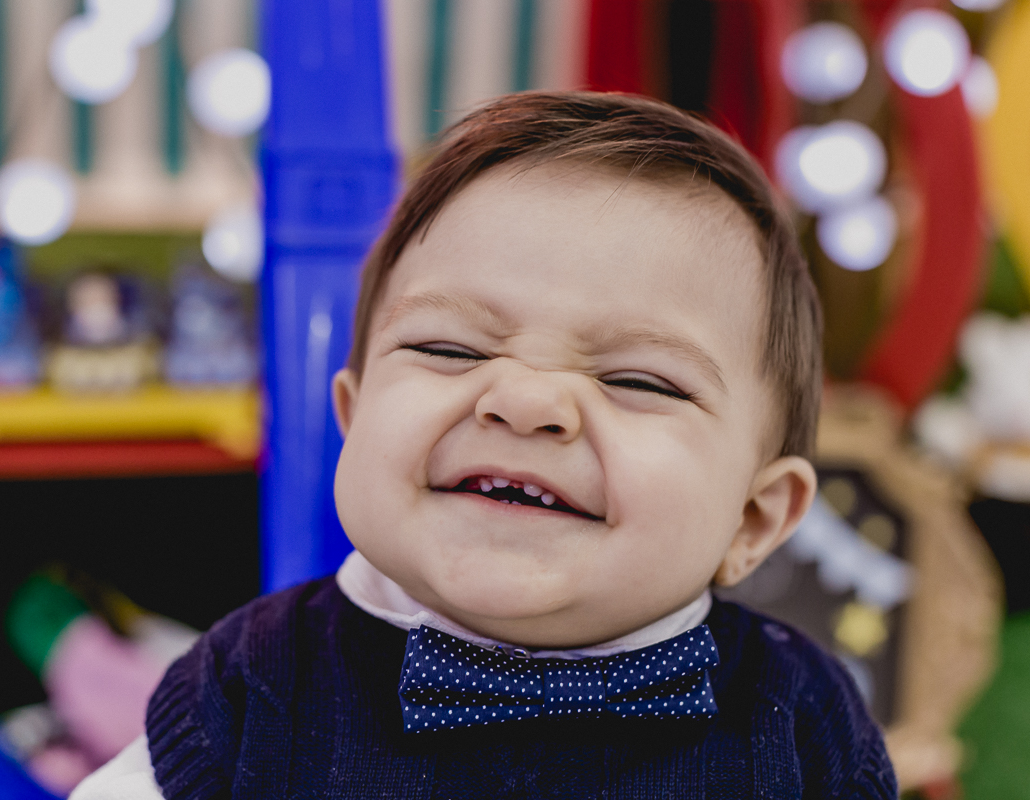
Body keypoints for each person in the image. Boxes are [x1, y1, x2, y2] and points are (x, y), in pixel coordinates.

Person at [72, 91, 897, 799]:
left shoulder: (800, 722)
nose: (525, 401)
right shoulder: (255, 683)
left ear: (753, 519)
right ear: (354, 420)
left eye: (639, 381)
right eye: (450, 349)